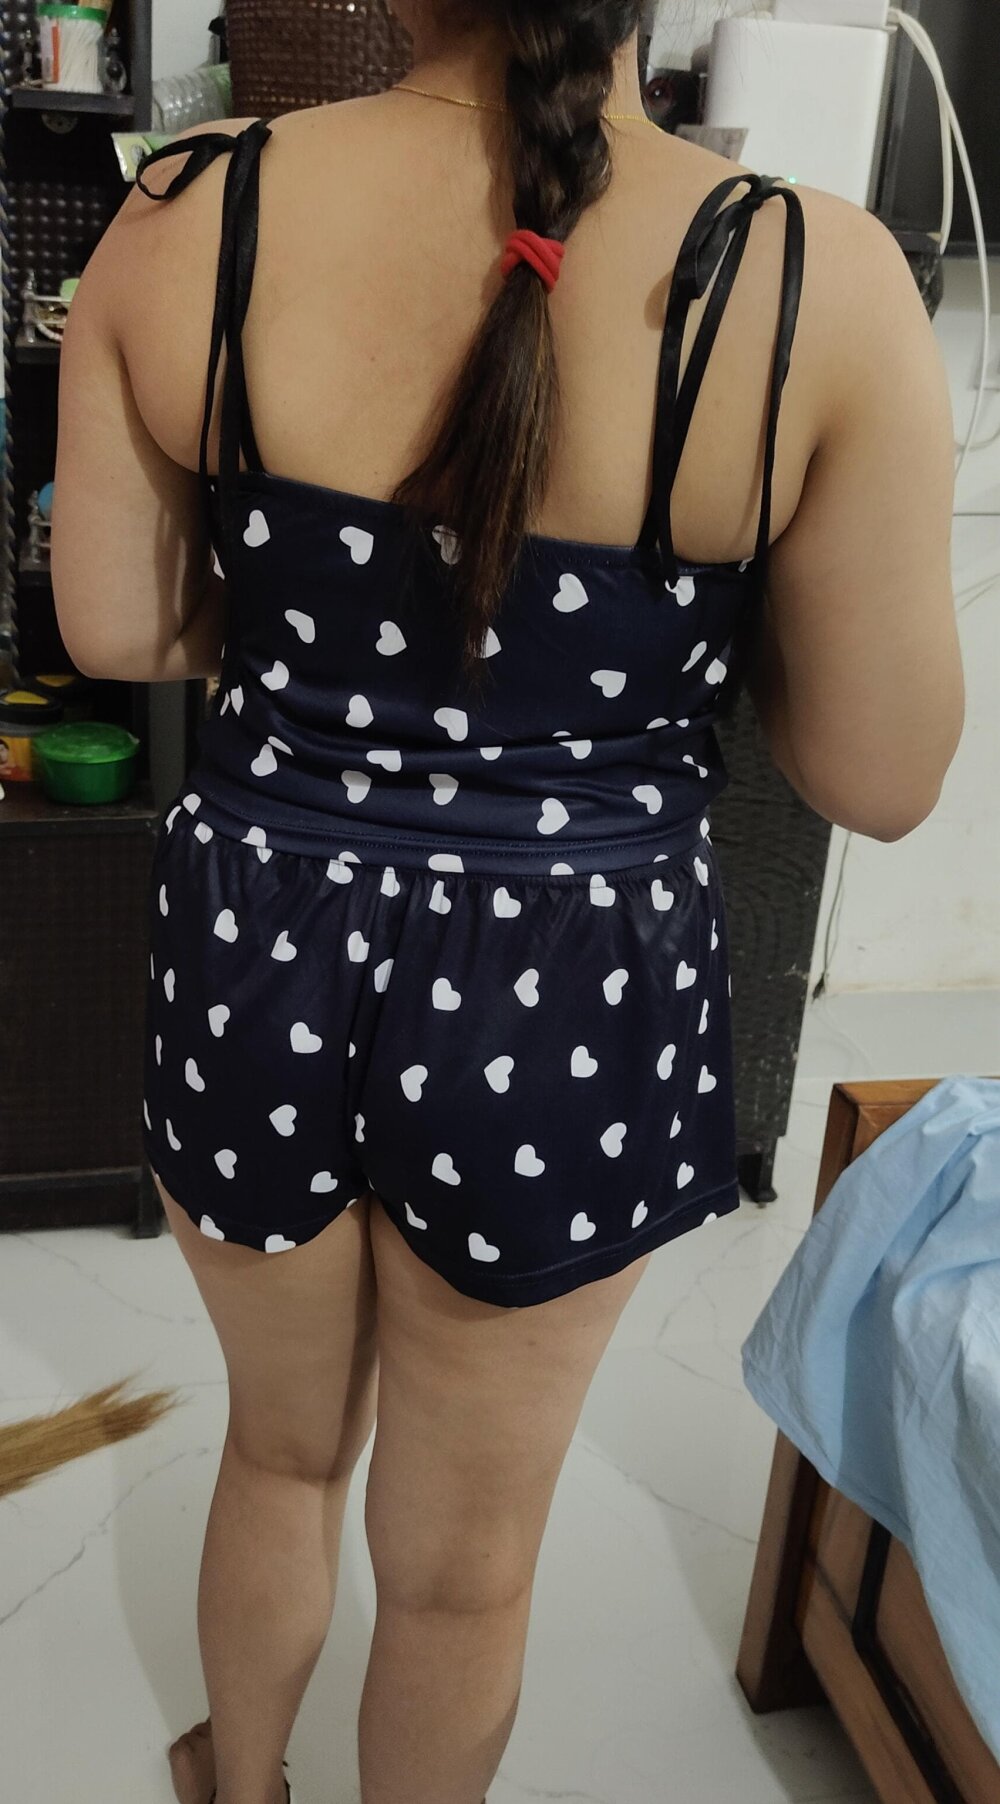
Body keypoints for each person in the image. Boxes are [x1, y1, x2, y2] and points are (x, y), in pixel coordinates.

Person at [51, 4, 964, 1801]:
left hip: (263, 940)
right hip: (574, 980)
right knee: (464, 1572)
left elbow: (121, 624)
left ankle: (241, 1781)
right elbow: (881, 773)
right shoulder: (811, 276)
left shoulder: (193, 209)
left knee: (279, 1455)